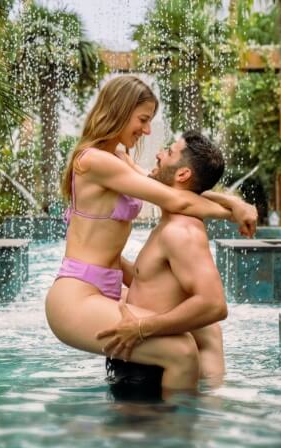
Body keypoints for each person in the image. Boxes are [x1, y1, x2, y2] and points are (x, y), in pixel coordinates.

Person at [45, 75, 257, 393]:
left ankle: (210, 400)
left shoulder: (118, 159)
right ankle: (175, 421)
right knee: (181, 351)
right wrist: (233, 212)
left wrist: (234, 202)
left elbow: (170, 187)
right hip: (76, 296)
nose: (146, 131)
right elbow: (175, 199)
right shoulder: (93, 161)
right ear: (119, 111)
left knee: (206, 327)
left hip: (108, 287)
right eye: (143, 120)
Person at [98, 131, 229, 396]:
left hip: (154, 370)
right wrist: (103, 255)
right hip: (143, 358)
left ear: (182, 174)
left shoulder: (181, 231)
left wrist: (141, 328)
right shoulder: (168, 224)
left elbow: (214, 304)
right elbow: (151, 282)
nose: (158, 154)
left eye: (168, 152)